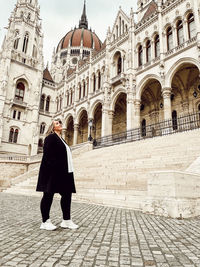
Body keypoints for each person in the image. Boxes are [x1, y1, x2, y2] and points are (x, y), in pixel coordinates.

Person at [36, 119, 78, 230]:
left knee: (67, 195)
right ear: (52, 127)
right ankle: (45, 221)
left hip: (65, 172)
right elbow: (48, 156)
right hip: (52, 172)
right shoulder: (50, 138)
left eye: (60, 123)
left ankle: (66, 220)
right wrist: (54, 169)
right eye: (57, 123)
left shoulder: (61, 139)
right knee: (48, 195)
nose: (60, 124)